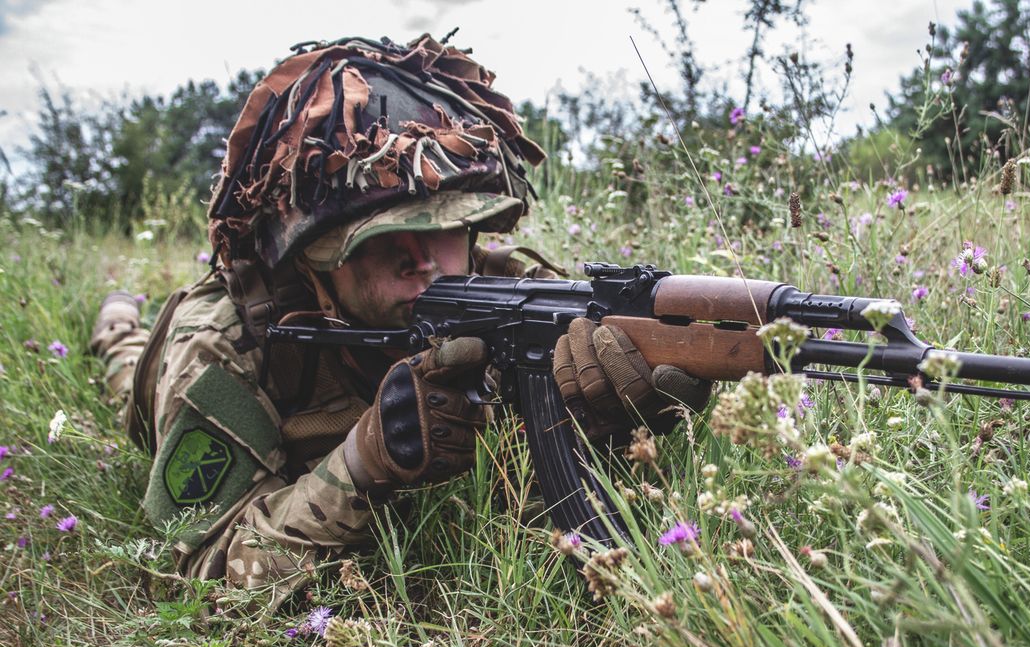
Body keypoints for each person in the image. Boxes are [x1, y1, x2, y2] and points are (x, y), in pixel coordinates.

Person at [90, 34, 710, 609]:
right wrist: (361, 463)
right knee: (125, 364)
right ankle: (118, 321)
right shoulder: (226, 339)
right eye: (385, 239)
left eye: (445, 228)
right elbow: (193, 575)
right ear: (314, 260)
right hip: (163, 372)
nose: (423, 260)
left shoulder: (511, 293)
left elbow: (589, 424)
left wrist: (629, 407)